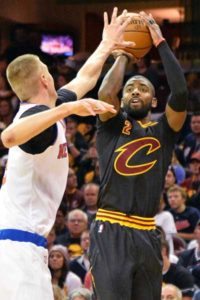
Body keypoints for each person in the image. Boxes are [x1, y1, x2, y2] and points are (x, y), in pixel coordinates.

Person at [0, 7, 133, 300]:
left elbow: (84, 79)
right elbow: (8, 136)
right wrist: (69, 109)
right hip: (16, 251)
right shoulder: (37, 121)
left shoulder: (47, 112)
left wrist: (106, 45)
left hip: (20, 247)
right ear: (46, 79)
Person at [89, 11, 188, 300]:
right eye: (129, 87)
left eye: (142, 88)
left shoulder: (165, 130)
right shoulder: (110, 125)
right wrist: (124, 54)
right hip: (111, 229)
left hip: (147, 231)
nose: (135, 90)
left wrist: (160, 45)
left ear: (153, 99)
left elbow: (180, 93)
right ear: (122, 98)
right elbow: (106, 91)